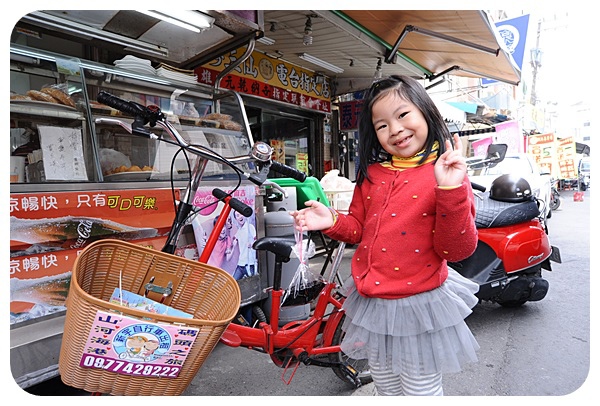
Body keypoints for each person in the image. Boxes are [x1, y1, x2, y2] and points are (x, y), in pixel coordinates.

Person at [291, 75, 480, 396]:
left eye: (403, 115)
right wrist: (331, 220)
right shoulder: (373, 174)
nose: (394, 129)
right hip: (374, 303)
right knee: (386, 386)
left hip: (419, 304)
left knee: (421, 390)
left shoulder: (447, 173)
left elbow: (457, 250)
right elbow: (358, 230)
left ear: (426, 113)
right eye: (381, 125)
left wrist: (451, 188)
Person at [231, 210, 258, 280]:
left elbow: (256, 241)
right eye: (237, 215)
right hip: (241, 264)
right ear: (236, 219)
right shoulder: (239, 231)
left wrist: (252, 245)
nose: (240, 217)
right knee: (234, 282)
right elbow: (235, 239)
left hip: (250, 263)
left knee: (253, 284)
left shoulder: (250, 227)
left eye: (241, 214)